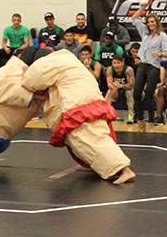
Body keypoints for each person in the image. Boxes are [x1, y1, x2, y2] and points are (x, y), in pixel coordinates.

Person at [21, 49, 136, 184]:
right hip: (93, 101)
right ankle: (112, 169)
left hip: (78, 107)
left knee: (90, 141)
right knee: (97, 138)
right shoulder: (70, 59)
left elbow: (30, 81)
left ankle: (124, 170)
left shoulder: (48, 62)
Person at [130, 0, 167, 130]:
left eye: (152, 22)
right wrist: (143, 7)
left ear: (156, 22)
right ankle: (140, 117)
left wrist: (159, 54)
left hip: (154, 67)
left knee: (148, 94)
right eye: (148, 22)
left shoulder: (162, 36)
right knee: (136, 93)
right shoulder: (145, 33)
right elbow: (134, 19)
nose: (150, 24)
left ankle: (152, 118)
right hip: (143, 65)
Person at [105, 55, 135, 124]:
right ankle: (106, 113)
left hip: (127, 89)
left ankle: (131, 115)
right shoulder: (110, 69)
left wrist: (121, 86)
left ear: (123, 62)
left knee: (129, 92)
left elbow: (131, 85)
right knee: (109, 91)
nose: (116, 65)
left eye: (118, 63)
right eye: (114, 63)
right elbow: (109, 84)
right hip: (116, 90)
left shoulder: (128, 70)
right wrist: (114, 87)